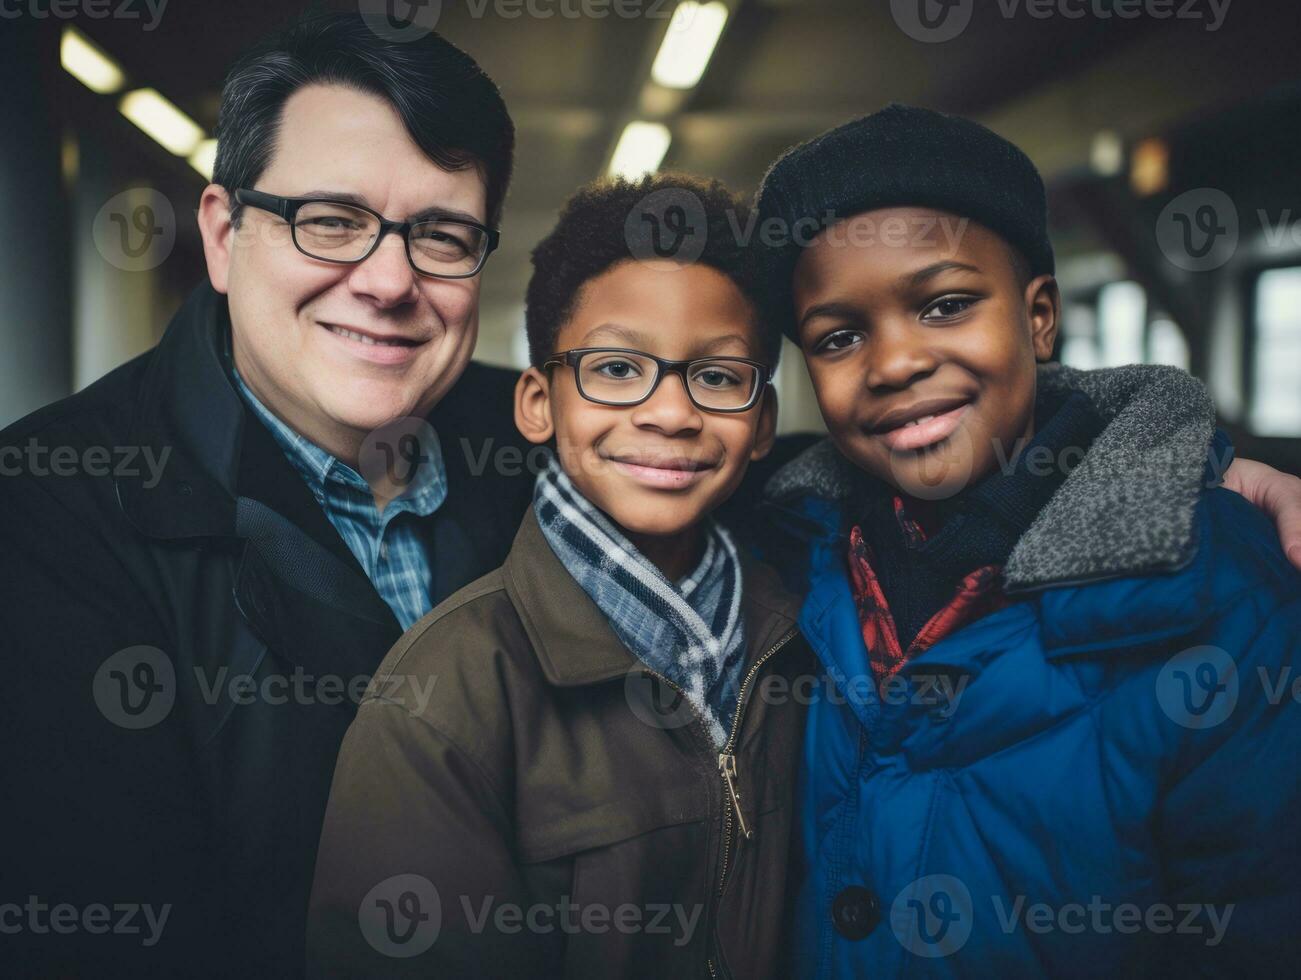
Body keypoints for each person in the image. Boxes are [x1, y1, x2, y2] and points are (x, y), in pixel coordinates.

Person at [752, 104, 1301, 976]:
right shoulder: (783, 549)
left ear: (1038, 316)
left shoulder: (1224, 590)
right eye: (840, 336)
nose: (892, 363)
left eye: (944, 304)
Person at [306, 174, 816, 978]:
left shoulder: (807, 641)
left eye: (717, 377)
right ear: (539, 403)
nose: (670, 412)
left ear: (761, 425)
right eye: (616, 368)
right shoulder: (446, 691)